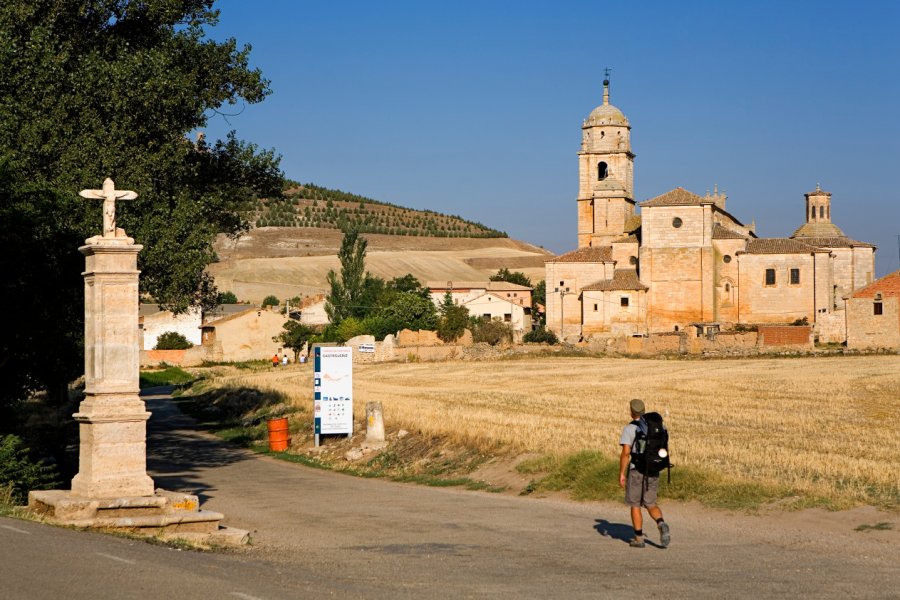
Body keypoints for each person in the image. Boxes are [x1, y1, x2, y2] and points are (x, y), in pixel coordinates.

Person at [619, 398, 670, 548]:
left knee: (635, 504)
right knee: (650, 503)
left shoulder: (630, 429)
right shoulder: (658, 426)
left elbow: (625, 453)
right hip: (653, 469)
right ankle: (661, 523)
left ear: (631, 412)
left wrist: (622, 473)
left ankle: (639, 538)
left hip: (637, 470)